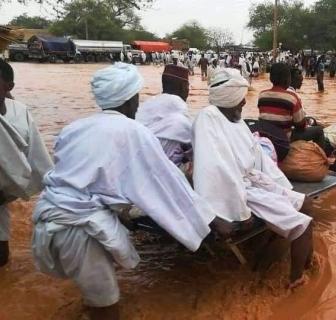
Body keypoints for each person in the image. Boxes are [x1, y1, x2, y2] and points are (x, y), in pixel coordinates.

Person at [31, 63, 231, 320]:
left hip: (49, 215)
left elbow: (84, 176)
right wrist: (212, 219)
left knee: (91, 296)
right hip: (80, 228)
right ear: (131, 99)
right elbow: (168, 182)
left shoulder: (75, 128)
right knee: (106, 305)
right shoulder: (133, 131)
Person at [193, 68, 314, 287]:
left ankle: (304, 264)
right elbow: (215, 170)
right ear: (229, 99)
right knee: (304, 224)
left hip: (251, 181)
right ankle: (297, 281)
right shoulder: (208, 119)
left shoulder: (236, 122)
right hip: (237, 192)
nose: (243, 105)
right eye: (240, 100)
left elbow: (260, 159)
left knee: (306, 203)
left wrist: (283, 187)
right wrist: (239, 212)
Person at [0, 59, 52, 267]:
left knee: (2, 259)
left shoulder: (19, 111)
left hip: (2, 197)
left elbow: (37, 156)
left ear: (9, 87)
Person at [258, 63, 327, 152]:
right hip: (284, 137)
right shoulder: (292, 97)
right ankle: (321, 160)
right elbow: (301, 125)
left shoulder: (262, 95)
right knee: (319, 131)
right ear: (287, 80)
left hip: (266, 136)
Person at [136, 64, 193, 167]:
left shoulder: (146, 105)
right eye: (188, 86)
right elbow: (195, 147)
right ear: (183, 87)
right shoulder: (181, 116)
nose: (188, 90)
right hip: (163, 174)